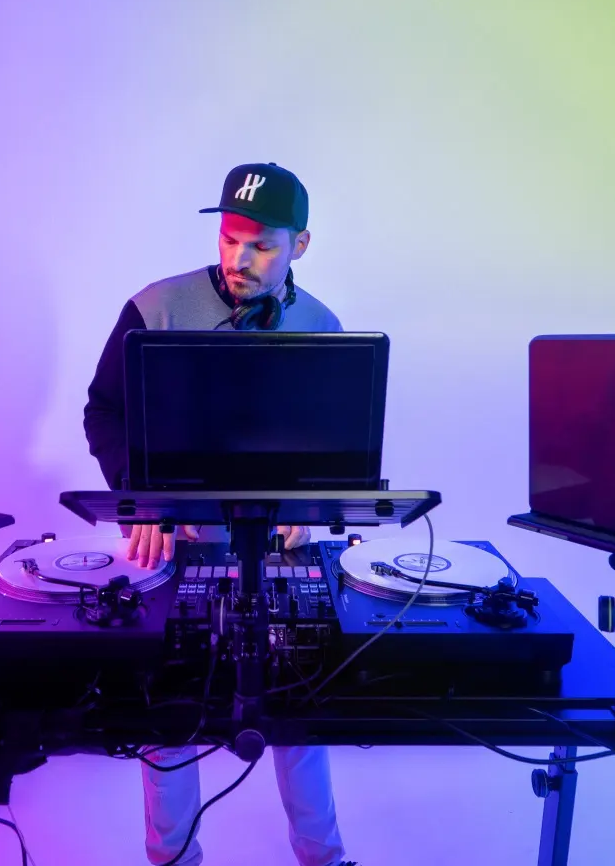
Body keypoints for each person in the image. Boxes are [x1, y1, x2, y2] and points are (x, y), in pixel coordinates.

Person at [83, 161, 358, 866]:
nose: (239, 258)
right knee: (167, 715)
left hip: (279, 555)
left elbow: (329, 446)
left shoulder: (323, 327)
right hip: (173, 549)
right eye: (230, 239)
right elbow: (104, 411)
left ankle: (323, 859)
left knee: (299, 707)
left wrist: (307, 503)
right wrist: (139, 495)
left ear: (300, 245)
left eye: (261, 245)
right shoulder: (154, 307)